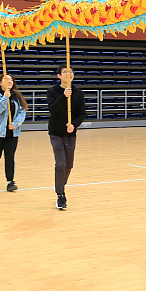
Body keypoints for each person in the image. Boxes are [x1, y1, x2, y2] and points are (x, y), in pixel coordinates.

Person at [47, 65, 87, 210]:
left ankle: (60, 184)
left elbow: (82, 113)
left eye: (71, 71)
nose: (68, 74)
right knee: (61, 163)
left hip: (70, 133)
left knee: (69, 165)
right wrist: (63, 96)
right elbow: (52, 109)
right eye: (65, 72)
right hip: (56, 132)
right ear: (59, 76)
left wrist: (74, 125)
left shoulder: (78, 93)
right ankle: (60, 194)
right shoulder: (52, 91)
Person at [0, 73, 28, 192]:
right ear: (0, 82)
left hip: (12, 132)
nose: (9, 81)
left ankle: (10, 181)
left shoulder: (16, 95)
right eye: (6, 79)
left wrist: (15, 124)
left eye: (11, 79)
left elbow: (22, 111)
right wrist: (5, 98)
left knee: (10, 157)